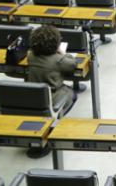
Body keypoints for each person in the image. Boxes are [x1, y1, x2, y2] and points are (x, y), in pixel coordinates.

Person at [26, 25, 78, 156]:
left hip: (30, 99)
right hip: (49, 99)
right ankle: (52, 126)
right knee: (72, 94)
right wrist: (63, 53)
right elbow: (73, 64)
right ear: (55, 44)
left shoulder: (31, 56)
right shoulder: (59, 60)